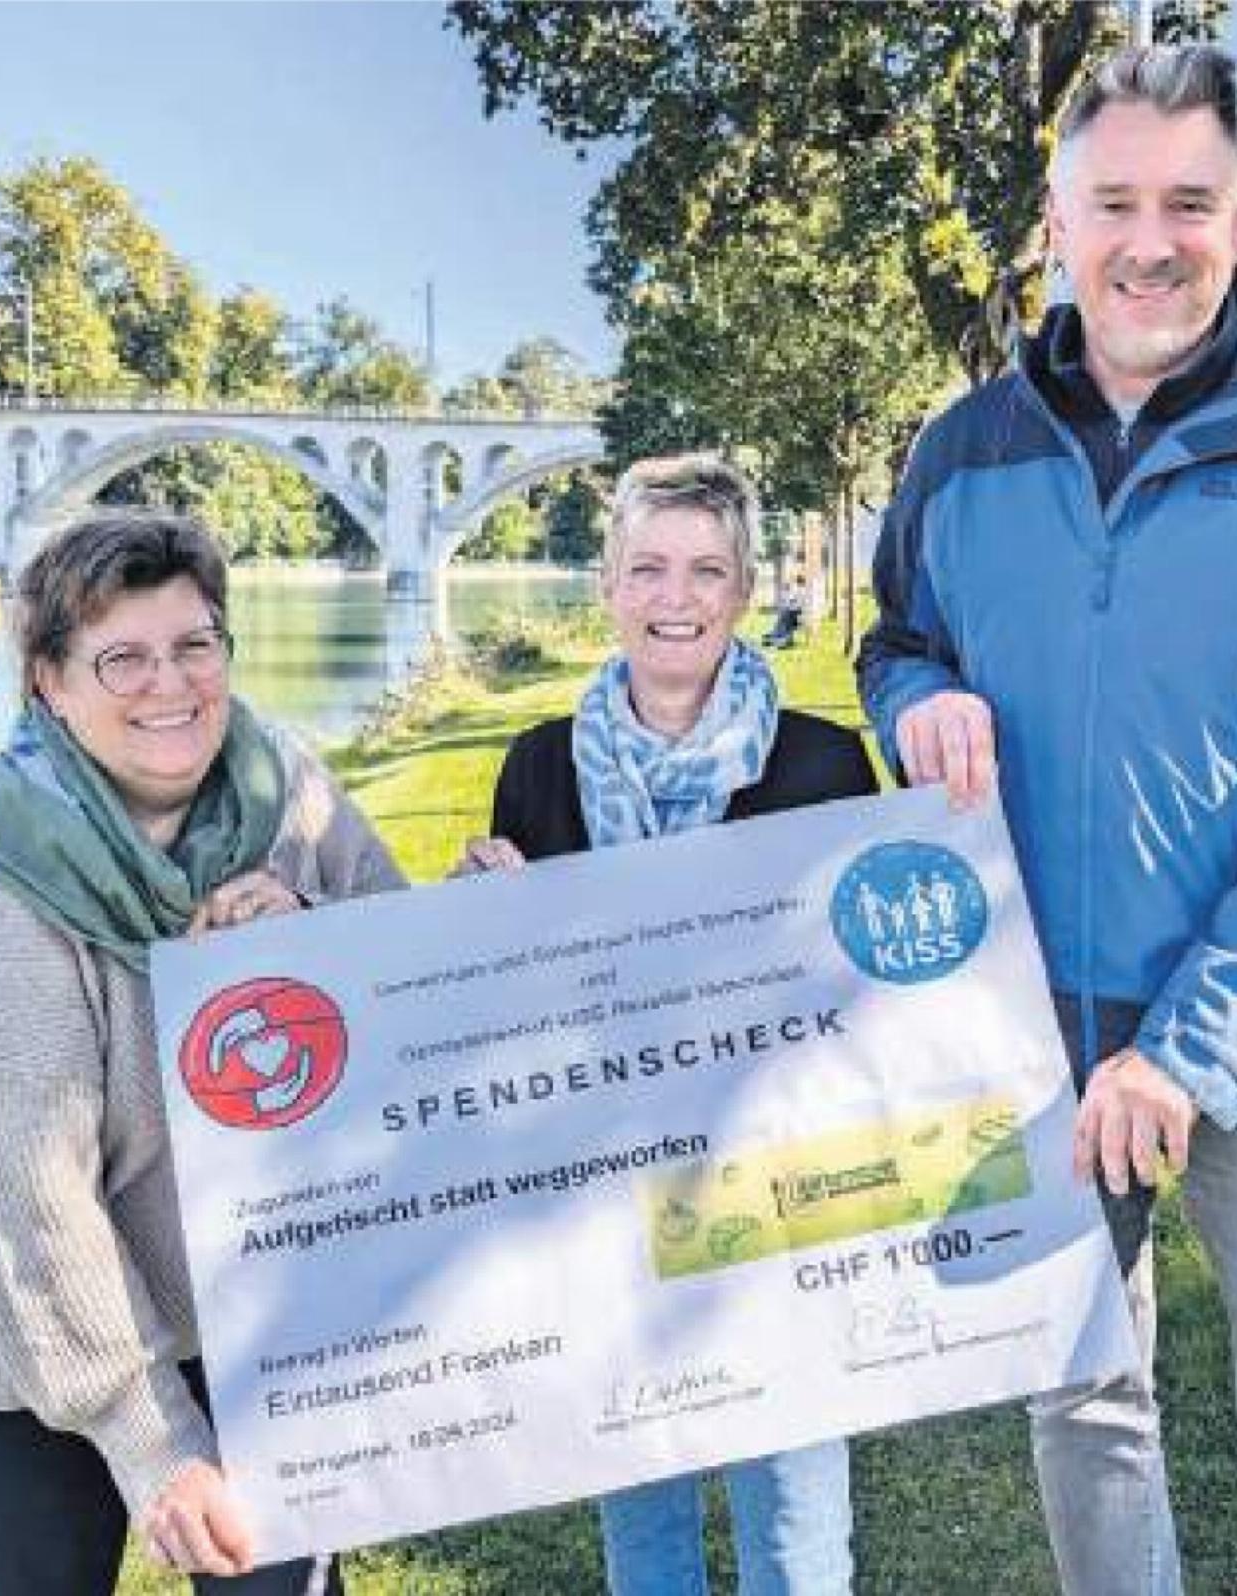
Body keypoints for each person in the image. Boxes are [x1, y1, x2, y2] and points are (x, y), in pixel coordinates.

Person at [858, 44, 1237, 1596]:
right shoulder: (961, 452)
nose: (1149, 239)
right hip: (1038, 1032)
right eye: (1113, 200)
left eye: (1188, 202)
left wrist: (1190, 1046)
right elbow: (894, 636)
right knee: (1087, 1416)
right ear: (1055, 223)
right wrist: (912, 690)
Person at [0, 510, 404, 1595]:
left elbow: (399, 950)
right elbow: (34, 1212)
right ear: (51, 683)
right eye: (123, 658)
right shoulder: (0, 904)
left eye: (195, 645)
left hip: (230, 1284)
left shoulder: (281, 786)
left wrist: (310, 923)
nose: (171, 685)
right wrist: (155, 1443)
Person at [458, 453, 874, 1596]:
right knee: (643, 1523)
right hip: (601, 1198)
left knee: (793, 1527)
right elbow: (516, 1009)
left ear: (744, 590)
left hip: (778, 1185)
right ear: (609, 588)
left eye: (704, 570)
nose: (674, 598)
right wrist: (483, 924)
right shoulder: (539, 769)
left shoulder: (825, 765)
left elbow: (872, 996)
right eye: (647, 568)